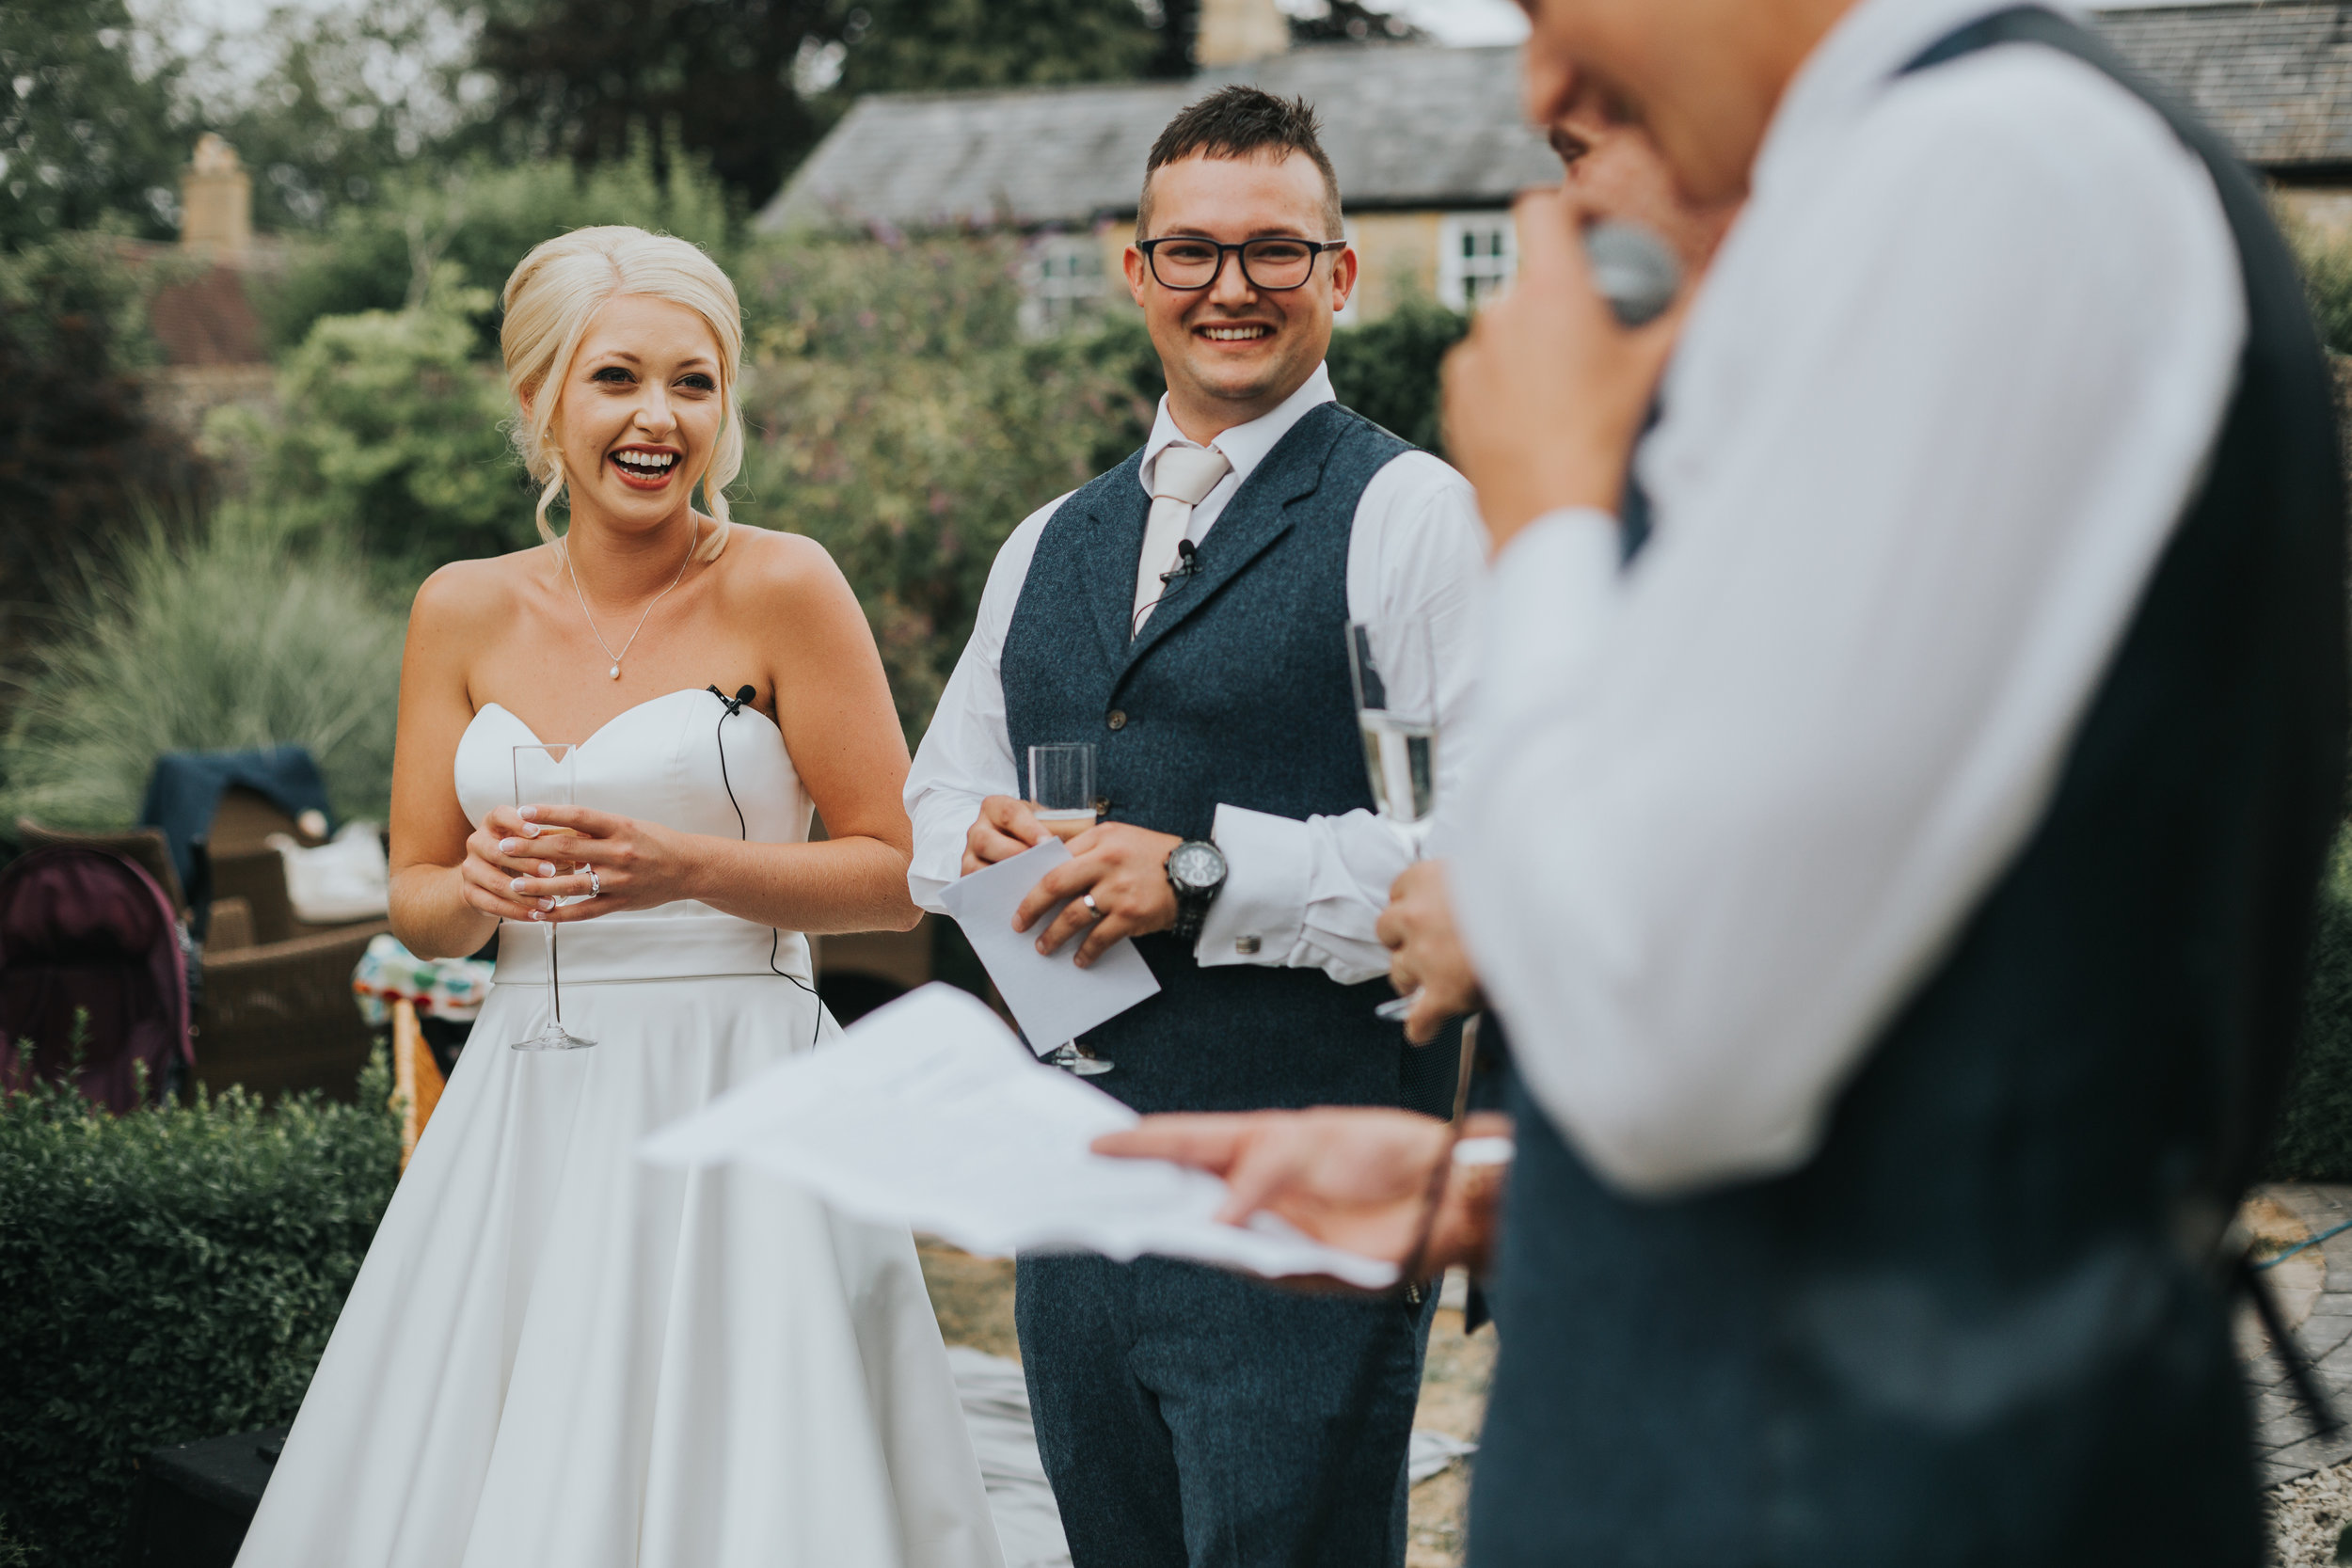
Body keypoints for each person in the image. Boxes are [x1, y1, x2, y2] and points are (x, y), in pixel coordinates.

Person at [1103, 1, 2347, 1564]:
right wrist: (1502, 1178)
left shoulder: (1982, 179)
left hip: (1854, 1494)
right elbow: (1829, 948)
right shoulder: (1945, 182)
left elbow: (1664, 1034)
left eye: (1551, 8)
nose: (1544, 79)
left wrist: (1550, 505)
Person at [237, 227, 1004, 1568]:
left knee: (753, 1478)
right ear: (540, 401)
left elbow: (898, 877)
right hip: (526, 1106)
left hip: (743, 1090)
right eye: (616, 379)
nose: (659, 419)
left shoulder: (784, 583)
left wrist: (688, 869)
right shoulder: (459, 609)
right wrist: (472, 889)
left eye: (694, 383)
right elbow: (416, 900)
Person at [902, 87, 1486, 1568]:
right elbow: (933, 801)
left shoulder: (1413, 517)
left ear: (1340, 274)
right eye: (1194, 252)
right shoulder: (1048, 541)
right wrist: (977, 845)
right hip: (1076, 1209)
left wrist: (1204, 875)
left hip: (1302, 1220)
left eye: (1275, 251)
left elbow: (1489, 854)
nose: (1232, 286)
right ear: (1137, 270)